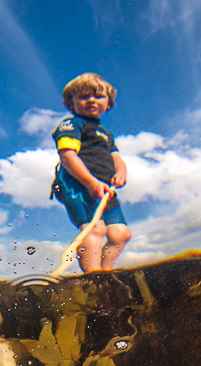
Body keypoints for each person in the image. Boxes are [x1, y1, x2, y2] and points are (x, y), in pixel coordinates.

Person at [51, 73, 132, 273]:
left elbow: (116, 158)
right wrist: (90, 182)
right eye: (83, 96)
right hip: (77, 183)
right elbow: (67, 156)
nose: (91, 100)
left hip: (105, 189)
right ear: (72, 103)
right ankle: (93, 276)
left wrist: (121, 172)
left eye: (98, 96)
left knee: (121, 234)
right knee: (95, 229)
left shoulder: (106, 134)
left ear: (109, 103)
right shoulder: (71, 124)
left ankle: (106, 271)